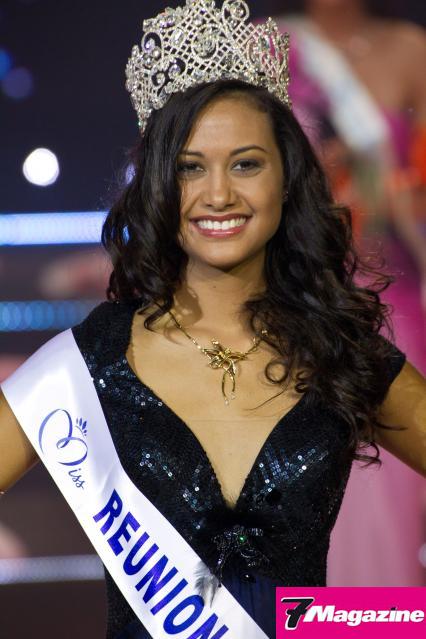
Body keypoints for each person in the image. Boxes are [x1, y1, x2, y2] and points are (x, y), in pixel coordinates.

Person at [0, 1, 425, 637]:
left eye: (246, 164)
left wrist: (377, 624)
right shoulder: (91, 363)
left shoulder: (343, 352)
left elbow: (312, 620)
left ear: (288, 179)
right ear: (158, 185)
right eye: (190, 168)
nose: (219, 194)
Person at [273, 0, 426, 586]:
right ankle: (315, 624)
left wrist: (388, 196)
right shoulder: (269, 44)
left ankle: (379, 624)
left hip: (391, 310)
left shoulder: (409, 49)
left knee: (388, 511)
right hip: (295, 309)